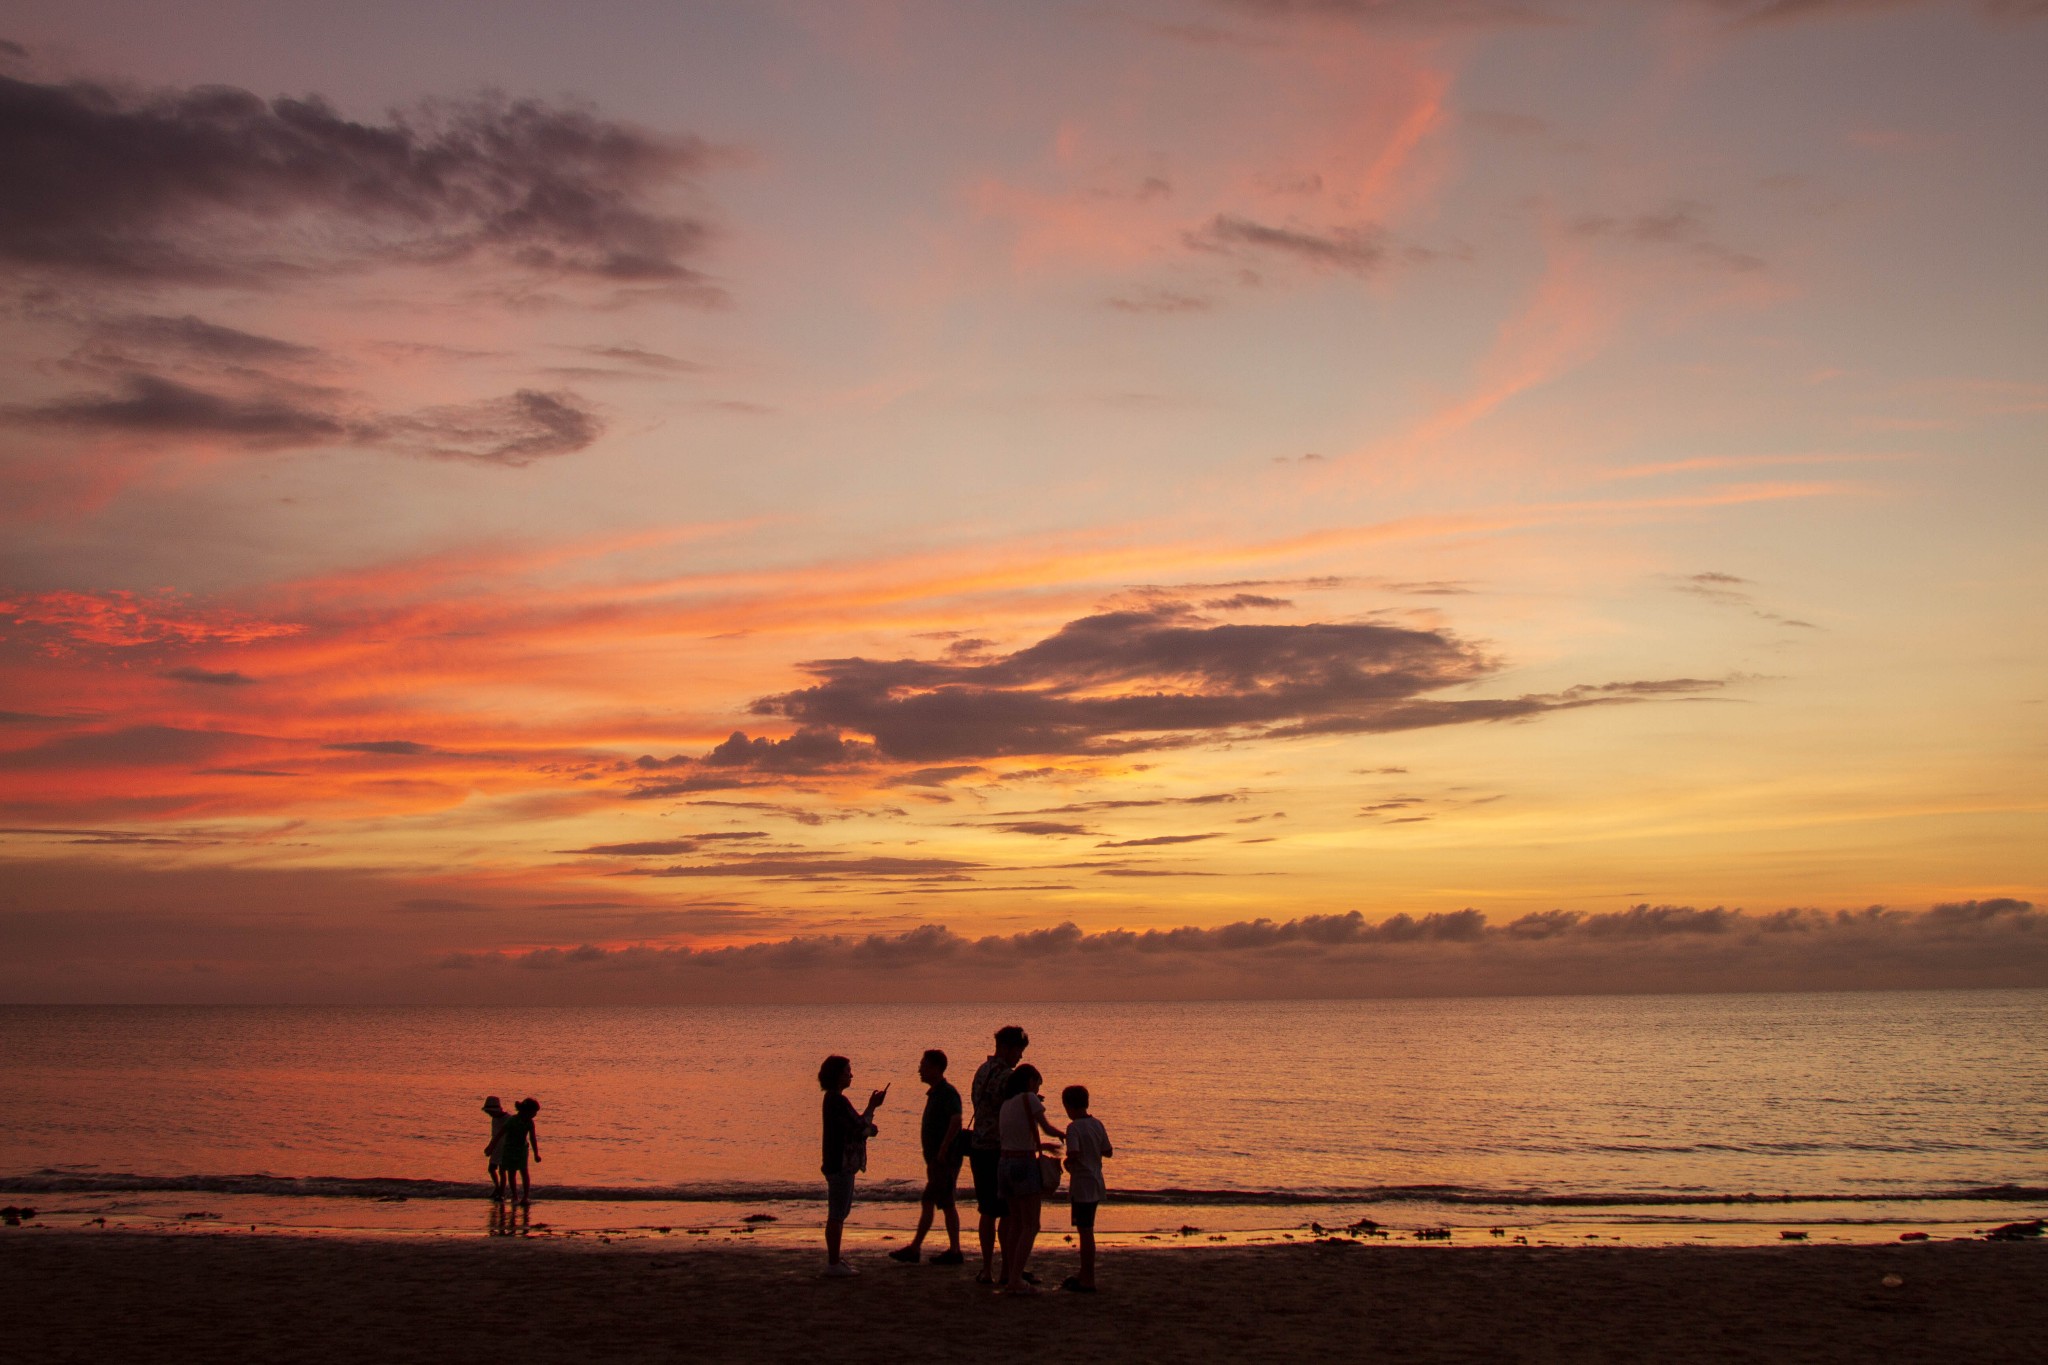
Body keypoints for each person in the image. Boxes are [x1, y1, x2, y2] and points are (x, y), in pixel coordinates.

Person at [889, 1049, 965, 1265]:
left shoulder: (947, 1093)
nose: (920, 1069)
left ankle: (948, 1250)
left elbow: (956, 1120)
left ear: (935, 1068)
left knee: (942, 1202)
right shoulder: (936, 1093)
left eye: (923, 1065)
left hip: (944, 1160)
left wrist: (943, 1150)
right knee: (936, 1201)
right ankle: (925, 1248)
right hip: (937, 1160)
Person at [995, 1064, 1064, 1294]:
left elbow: (1013, 1138)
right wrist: (1065, 1134)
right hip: (1023, 1165)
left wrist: (1043, 1146)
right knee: (1031, 1224)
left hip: (1004, 1164)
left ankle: (1009, 1274)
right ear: (1029, 1082)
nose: (1037, 1090)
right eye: (1037, 1084)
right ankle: (1015, 1278)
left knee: (1015, 1223)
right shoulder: (1029, 1099)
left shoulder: (1005, 1105)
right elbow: (1046, 1127)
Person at [967, 1025, 1028, 1285]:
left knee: (987, 1210)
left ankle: (988, 1268)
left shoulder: (982, 1071)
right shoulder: (1007, 1076)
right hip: (999, 1149)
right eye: (1018, 1051)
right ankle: (1006, 1269)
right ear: (1006, 1048)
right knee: (1008, 1212)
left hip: (978, 1147)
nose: (1019, 1056)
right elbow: (1014, 1108)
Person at [818, 1054, 887, 1277]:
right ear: (838, 1076)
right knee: (837, 1213)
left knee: (839, 1212)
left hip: (838, 1163)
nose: (851, 1075)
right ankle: (833, 1262)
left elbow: (856, 1125)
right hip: (840, 1163)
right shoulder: (836, 1101)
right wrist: (870, 1125)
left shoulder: (833, 1099)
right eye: (848, 1071)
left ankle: (835, 1259)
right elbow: (857, 1127)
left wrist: (870, 1109)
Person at [1059, 1085, 1112, 1293]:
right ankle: (1084, 1273)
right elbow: (1108, 1151)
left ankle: (1088, 1278)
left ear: (1069, 1106)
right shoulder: (1097, 1124)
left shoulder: (1073, 1128)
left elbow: (1073, 1152)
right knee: (1086, 1228)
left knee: (1085, 1231)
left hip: (1082, 1184)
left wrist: (1065, 1164)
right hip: (1097, 1181)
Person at [496, 1097, 541, 1205]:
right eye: (534, 1112)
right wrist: (491, 1146)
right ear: (526, 1110)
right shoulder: (512, 1120)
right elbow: (500, 1133)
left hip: (522, 1150)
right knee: (512, 1173)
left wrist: (536, 1154)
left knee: (524, 1172)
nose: (535, 1115)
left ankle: (525, 1197)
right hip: (510, 1149)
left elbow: (532, 1138)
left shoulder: (530, 1122)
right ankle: (515, 1196)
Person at [482, 1096, 510, 1201]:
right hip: (496, 1147)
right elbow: (494, 1135)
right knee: (491, 1169)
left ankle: (501, 1192)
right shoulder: (494, 1119)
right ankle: (497, 1188)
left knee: (502, 1171)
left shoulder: (508, 1119)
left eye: (490, 1112)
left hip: (505, 1148)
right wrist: (490, 1146)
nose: (490, 1114)